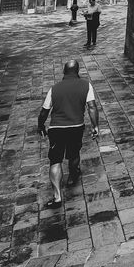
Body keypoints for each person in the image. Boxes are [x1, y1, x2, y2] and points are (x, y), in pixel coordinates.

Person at [36, 59, 98, 206]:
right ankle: (72, 176)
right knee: (74, 153)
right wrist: (95, 126)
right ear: (77, 71)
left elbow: (44, 112)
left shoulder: (54, 88)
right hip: (77, 126)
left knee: (55, 160)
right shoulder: (86, 85)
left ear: (64, 72)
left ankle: (57, 197)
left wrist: (40, 126)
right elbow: (92, 107)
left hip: (57, 129)